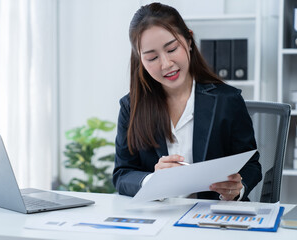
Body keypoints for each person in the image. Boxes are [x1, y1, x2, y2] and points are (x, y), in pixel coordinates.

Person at [112, 2, 262, 201]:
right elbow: (122, 174)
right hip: (157, 218)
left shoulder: (227, 100)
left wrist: (238, 187)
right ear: (140, 60)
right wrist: (153, 180)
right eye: (152, 57)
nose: (166, 64)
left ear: (189, 40)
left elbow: (251, 164)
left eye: (172, 49)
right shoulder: (131, 107)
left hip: (211, 217)